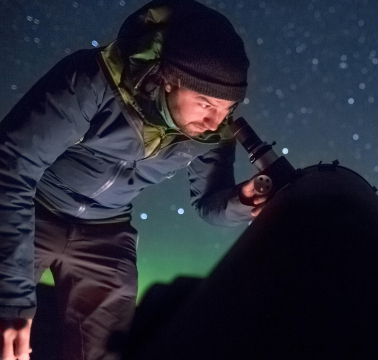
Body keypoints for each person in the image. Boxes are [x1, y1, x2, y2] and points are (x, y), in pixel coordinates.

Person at [0, 0, 265, 359]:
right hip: (34, 208)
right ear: (170, 80)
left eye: (227, 109)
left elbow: (209, 203)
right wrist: (12, 299)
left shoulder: (211, 135)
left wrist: (242, 200)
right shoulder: (91, 82)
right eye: (205, 103)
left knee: (104, 350)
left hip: (107, 232)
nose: (215, 122)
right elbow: (12, 165)